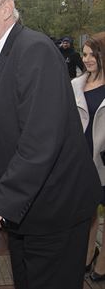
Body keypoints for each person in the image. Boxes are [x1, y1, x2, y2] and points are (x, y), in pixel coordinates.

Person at [0, 0, 102, 288]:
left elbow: (41, 140)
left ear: (6, 9)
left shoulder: (33, 49)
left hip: (55, 209)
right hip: (25, 211)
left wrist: (1, 201)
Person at [71, 32, 105, 281]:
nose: (88, 59)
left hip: (104, 158)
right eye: (85, 54)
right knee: (88, 211)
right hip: (81, 159)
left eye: (93, 54)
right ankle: (86, 254)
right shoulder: (75, 84)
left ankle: (103, 262)